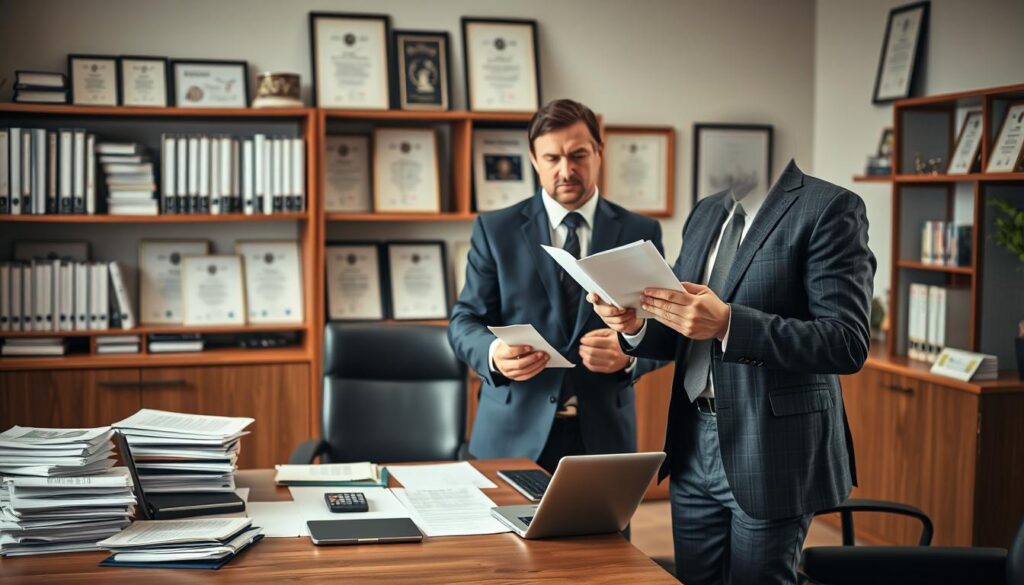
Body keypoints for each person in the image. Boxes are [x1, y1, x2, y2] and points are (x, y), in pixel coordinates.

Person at [589, 160, 875, 584]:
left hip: (772, 447)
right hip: (692, 443)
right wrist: (634, 326)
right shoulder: (707, 210)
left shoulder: (830, 206)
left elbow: (846, 342)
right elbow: (683, 331)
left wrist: (728, 324)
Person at [448, 99, 666, 473]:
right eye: (552, 159)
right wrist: (494, 353)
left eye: (578, 155)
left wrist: (630, 353)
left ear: (599, 152)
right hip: (510, 437)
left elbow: (665, 327)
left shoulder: (640, 232)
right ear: (534, 160)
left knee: (602, 536)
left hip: (603, 440)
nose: (566, 170)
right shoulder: (494, 230)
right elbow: (463, 321)